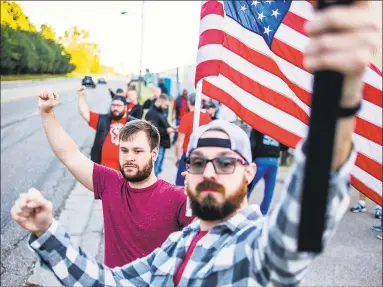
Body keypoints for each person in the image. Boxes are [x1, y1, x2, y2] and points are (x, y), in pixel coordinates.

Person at [12, 2, 378, 285]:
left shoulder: (256, 248)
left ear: (249, 173)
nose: (209, 171)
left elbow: (301, 229)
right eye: (199, 162)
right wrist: (47, 231)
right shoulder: (177, 248)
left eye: (225, 162)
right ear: (186, 174)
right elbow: (107, 281)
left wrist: (336, 98)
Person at [34, 91, 194, 267]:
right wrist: (47, 114)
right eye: (124, 150)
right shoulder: (110, 183)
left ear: (154, 153)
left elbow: (207, 243)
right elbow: (69, 155)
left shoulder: (178, 197)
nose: (129, 157)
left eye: (138, 151)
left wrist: (201, 199)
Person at [77, 86, 135, 170]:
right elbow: (85, 113)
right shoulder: (103, 120)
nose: (115, 108)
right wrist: (81, 96)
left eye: (119, 105)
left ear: (126, 107)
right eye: (113, 105)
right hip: (101, 169)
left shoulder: (133, 124)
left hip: (123, 173)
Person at [247, 128, 289, 215]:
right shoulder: (278, 126)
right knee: (269, 191)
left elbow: (252, 143)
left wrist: (250, 159)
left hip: (261, 159)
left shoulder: (259, 125)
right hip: (274, 161)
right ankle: (263, 214)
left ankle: (240, 210)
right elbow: (285, 146)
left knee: (248, 186)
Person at [175, 92, 212, 186]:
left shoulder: (186, 118)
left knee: (182, 186)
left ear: (188, 102)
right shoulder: (207, 117)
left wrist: (178, 158)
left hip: (187, 156)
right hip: (202, 156)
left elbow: (179, 142)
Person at [145, 94, 176, 175]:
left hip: (163, 142)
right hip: (157, 143)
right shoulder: (151, 113)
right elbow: (152, 129)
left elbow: (164, 122)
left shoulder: (162, 111)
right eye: (165, 105)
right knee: (155, 169)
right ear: (160, 101)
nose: (166, 107)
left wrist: (171, 127)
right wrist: (166, 131)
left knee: (158, 168)